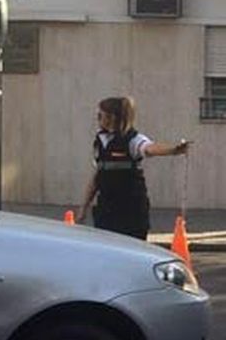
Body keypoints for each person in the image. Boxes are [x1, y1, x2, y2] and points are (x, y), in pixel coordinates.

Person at [77, 96, 190, 241]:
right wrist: (83, 207)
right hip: (106, 208)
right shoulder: (100, 141)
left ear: (112, 117)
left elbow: (150, 148)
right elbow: (97, 177)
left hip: (131, 210)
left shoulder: (133, 139)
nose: (97, 119)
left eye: (100, 115)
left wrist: (173, 150)